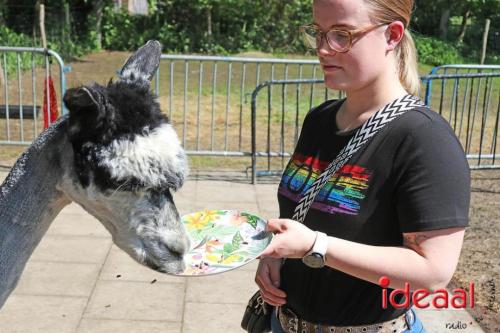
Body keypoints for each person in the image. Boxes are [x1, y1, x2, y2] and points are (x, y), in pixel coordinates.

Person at [255, 0, 471, 332]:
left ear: (392, 35)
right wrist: (277, 255)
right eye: (319, 32)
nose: (324, 49)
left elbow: (431, 273)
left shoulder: (424, 139)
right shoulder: (320, 120)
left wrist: (316, 246)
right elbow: (303, 214)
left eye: (342, 34)